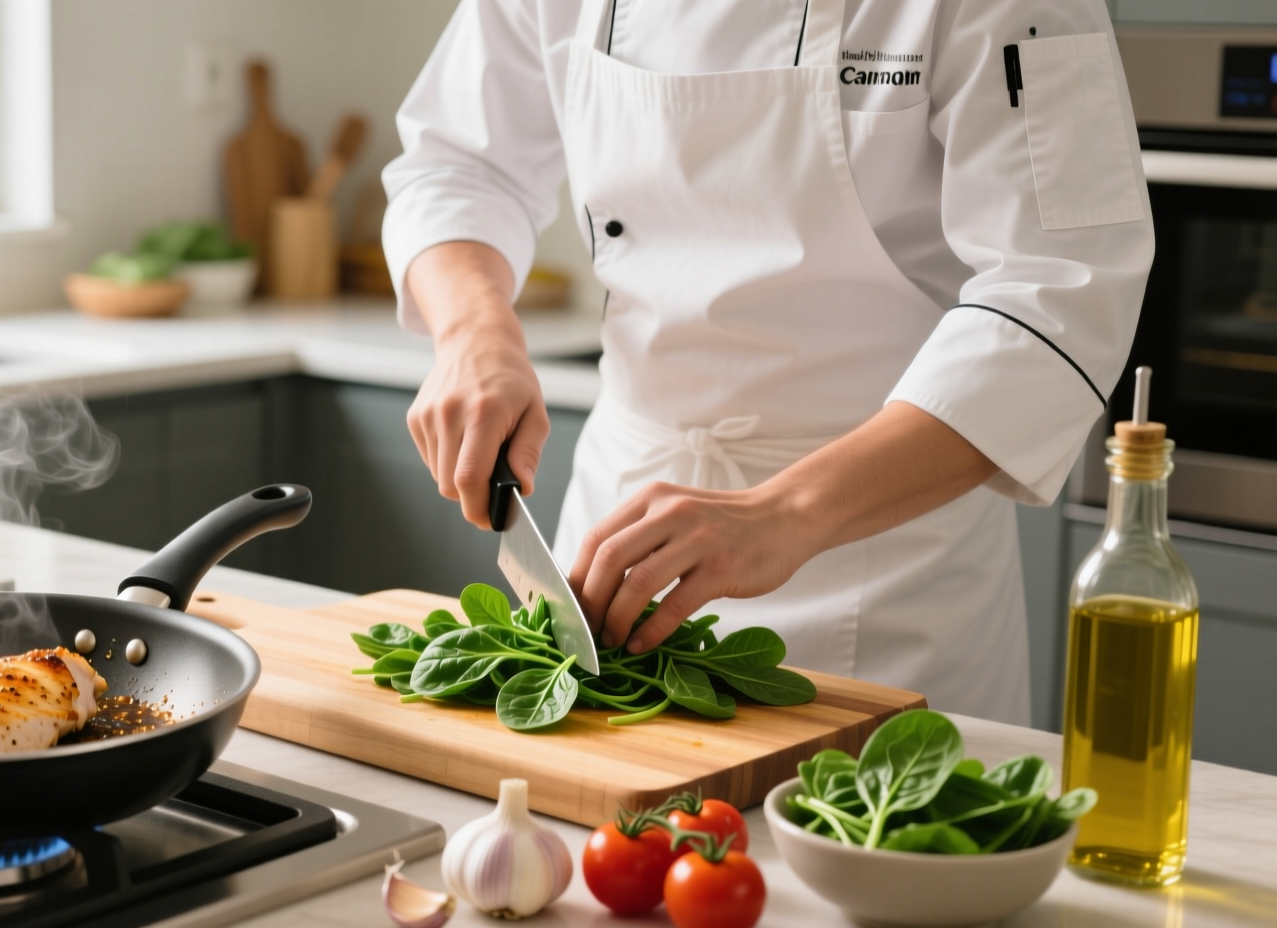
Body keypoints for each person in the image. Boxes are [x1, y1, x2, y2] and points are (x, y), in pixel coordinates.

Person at [380, 0, 1152, 725]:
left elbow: (1063, 289)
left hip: (888, 561)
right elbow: (456, 166)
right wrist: (475, 333)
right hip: (620, 540)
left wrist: (787, 512)